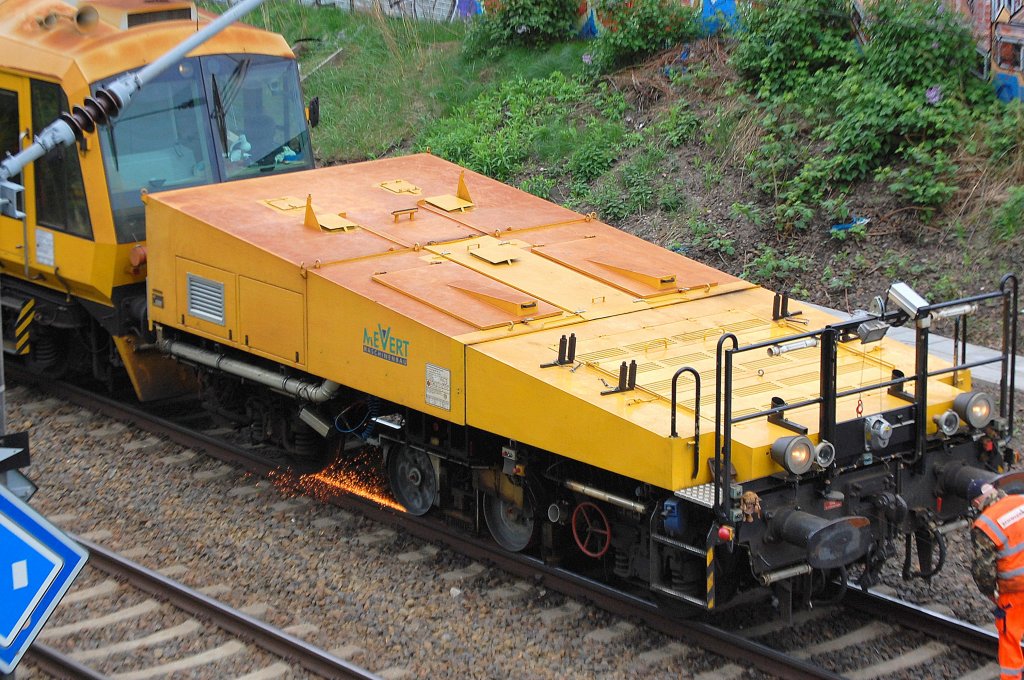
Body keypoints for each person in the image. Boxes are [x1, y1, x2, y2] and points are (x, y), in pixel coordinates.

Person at [972, 483, 1024, 680]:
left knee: (1010, 637)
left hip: (1015, 590)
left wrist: (989, 593)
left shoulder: (985, 524)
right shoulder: (1021, 501)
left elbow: (983, 570)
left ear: (977, 501)